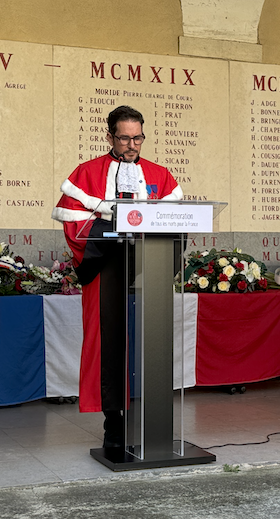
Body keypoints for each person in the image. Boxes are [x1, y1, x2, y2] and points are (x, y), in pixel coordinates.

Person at [52, 106, 182, 457]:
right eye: (124, 137)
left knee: (149, 340)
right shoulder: (87, 173)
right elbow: (73, 224)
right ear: (109, 136)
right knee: (106, 343)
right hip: (104, 269)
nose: (131, 144)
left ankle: (151, 422)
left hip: (147, 272)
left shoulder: (160, 176)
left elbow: (175, 223)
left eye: (137, 137)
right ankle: (114, 425)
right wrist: (113, 231)